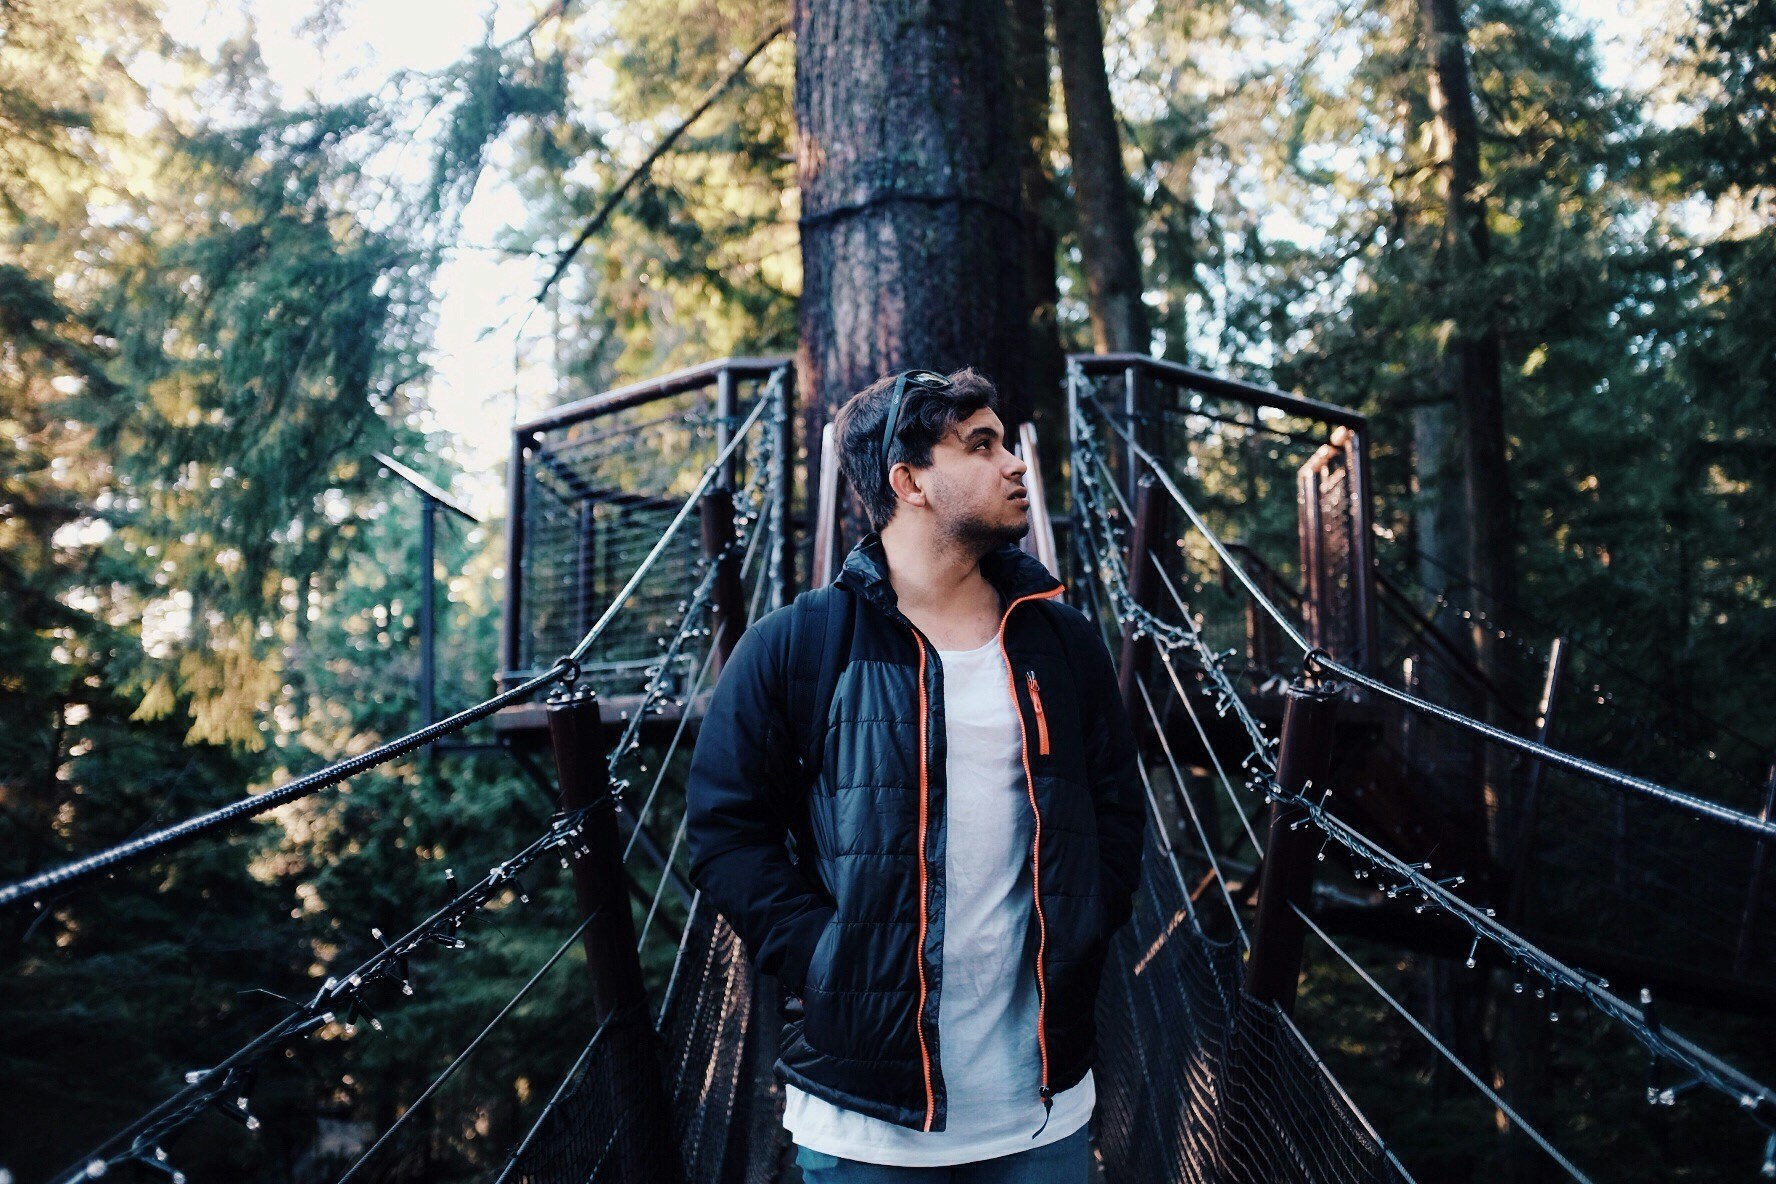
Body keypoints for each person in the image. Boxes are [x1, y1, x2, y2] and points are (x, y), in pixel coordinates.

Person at [686, 366, 1145, 1182]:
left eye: (1006, 443)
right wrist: (825, 953)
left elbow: (1116, 811)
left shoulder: (1064, 644)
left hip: (1043, 1114)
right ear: (910, 482)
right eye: (981, 445)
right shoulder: (796, 645)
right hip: (867, 1127)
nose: (1015, 463)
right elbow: (726, 835)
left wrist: (1088, 921)